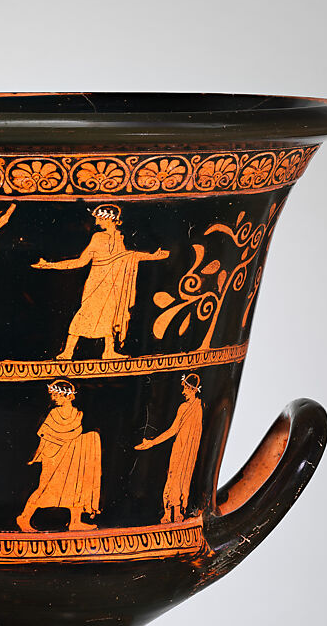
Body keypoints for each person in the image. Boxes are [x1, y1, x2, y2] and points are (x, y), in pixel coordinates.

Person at [32, 205, 169, 360]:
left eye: (99, 218)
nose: (96, 222)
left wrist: (153, 256)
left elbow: (129, 256)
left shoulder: (121, 238)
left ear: (108, 218)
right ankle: (68, 351)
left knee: (110, 316)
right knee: (84, 314)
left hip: (114, 283)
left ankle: (109, 351)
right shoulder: (98, 237)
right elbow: (81, 262)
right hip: (97, 283)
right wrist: (50, 265)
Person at [17, 380, 101, 532]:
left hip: (72, 455)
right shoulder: (54, 414)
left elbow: (76, 435)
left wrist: (91, 438)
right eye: (53, 395)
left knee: (76, 486)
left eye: (57, 395)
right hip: (54, 457)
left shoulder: (77, 414)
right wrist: (39, 455)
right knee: (45, 488)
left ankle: (75, 521)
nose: (54, 398)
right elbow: (45, 436)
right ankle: (24, 518)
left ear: (68, 396)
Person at [135, 373, 203, 521]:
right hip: (180, 447)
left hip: (190, 450)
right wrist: (152, 442)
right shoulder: (183, 407)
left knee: (184, 478)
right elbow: (173, 430)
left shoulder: (198, 407)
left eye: (186, 389)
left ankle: (178, 511)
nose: (183, 392)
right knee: (174, 477)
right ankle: (168, 512)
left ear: (193, 389)